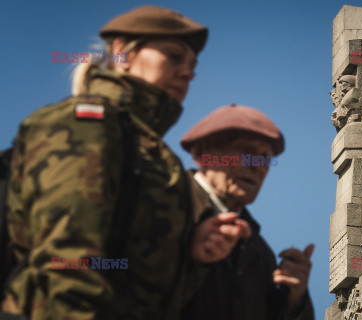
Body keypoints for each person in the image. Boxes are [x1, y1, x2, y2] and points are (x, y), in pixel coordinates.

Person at [1, 6, 249, 320]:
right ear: (123, 53)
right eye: (174, 56)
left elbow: (146, 297)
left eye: (192, 66)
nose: (188, 73)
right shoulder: (87, 124)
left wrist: (195, 259)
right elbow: (67, 260)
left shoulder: (153, 151)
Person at [180, 104, 315, 320]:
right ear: (202, 153)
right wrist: (192, 261)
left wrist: (294, 303)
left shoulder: (261, 256)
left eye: (265, 158)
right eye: (246, 151)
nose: (258, 166)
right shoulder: (159, 204)